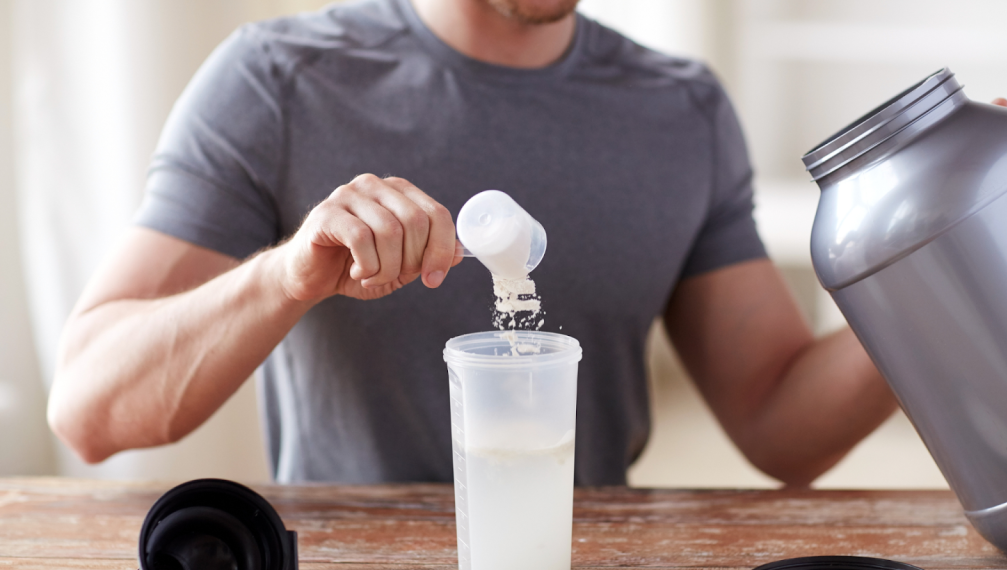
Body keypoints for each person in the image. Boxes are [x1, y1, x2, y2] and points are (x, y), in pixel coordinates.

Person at [47, 0, 898, 486]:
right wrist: (285, 278)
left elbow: (780, 421)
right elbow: (88, 409)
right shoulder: (278, 81)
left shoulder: (682, 110)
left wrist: (931, 273)